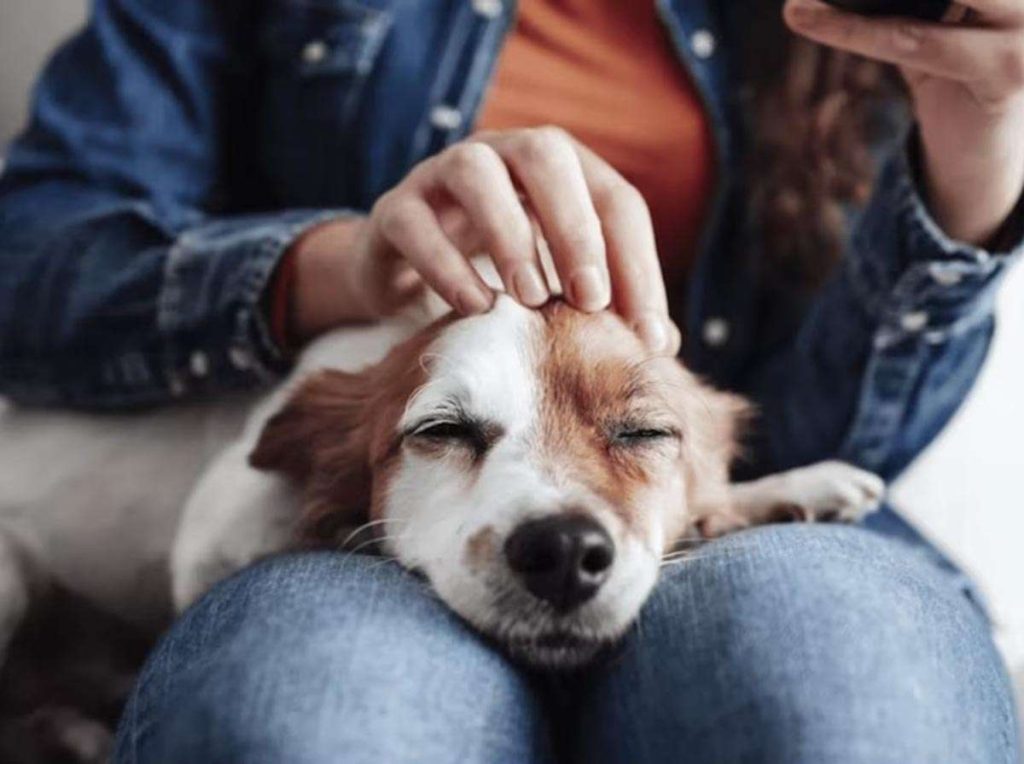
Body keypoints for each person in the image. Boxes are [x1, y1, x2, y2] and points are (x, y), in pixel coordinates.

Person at [0, 0, 1020, 760]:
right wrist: (336, 266)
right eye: (454, 426)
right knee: (312, 718)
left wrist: (975, 140)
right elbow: (26, 269)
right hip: (363, 556)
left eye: (635, 431)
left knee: (840, 701)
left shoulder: (842, 24)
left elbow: (831, 441)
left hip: (715, 526)